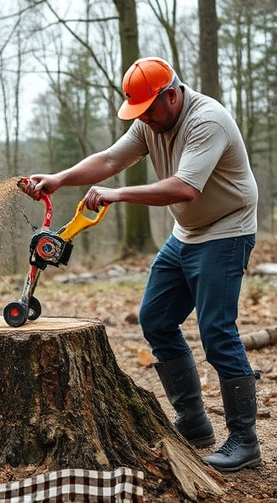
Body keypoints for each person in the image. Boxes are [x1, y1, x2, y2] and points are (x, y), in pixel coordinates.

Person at [20, 56, 260, 473]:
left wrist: (118, 195)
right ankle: (194, 423)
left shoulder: (208, 121)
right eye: (139, 114)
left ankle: (245, 441)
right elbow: (110, 160)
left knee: (216, 331)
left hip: (226, 229)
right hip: (186, 234)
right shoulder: (151, 120)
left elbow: (185, 188)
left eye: (149, 111)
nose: (144, 120)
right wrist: (60, 178)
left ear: (171, 95)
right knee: (156, 320)